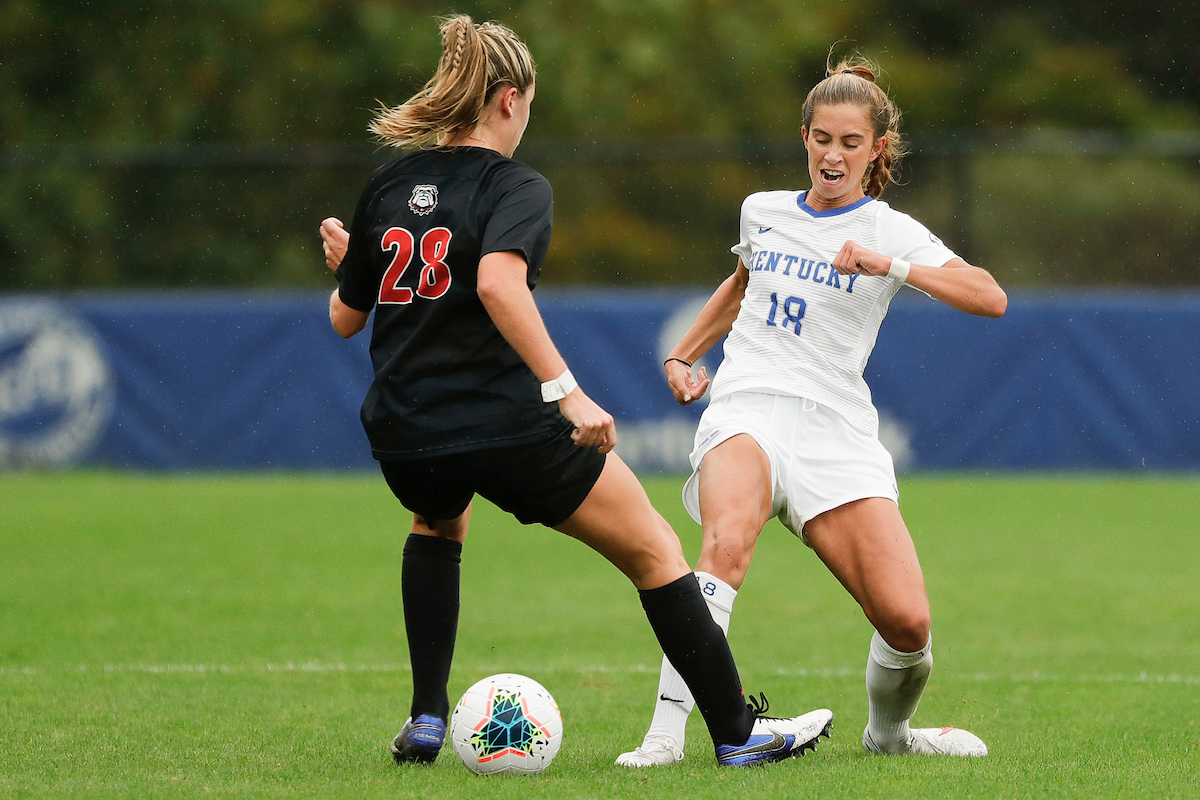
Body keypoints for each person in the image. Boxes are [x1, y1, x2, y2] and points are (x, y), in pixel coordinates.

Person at [320, 15, 832, 768]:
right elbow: (497, 281)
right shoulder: (516, 185)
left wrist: (348, 261)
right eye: (529, 101)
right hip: (503, 424)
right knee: (656, 549)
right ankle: (736, 733)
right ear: (506, 99)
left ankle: (427, 718)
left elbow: (345, 317)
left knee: (438, 523)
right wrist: (567, 391)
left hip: (406, 432)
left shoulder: (390, 185)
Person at [616, 56, 1007, 767]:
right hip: (748, 406)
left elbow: (989, 296)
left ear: (875, 149)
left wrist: (889, 266)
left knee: (908, 624)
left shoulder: (889, 231)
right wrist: (684, 355)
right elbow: (742, 283)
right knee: (726, 541)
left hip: (836, 431)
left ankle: (888, 736)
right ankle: (664, 738)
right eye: (822, 138)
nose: (833, 154)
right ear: (804, 137)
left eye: (850, 142)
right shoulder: (762, 211)